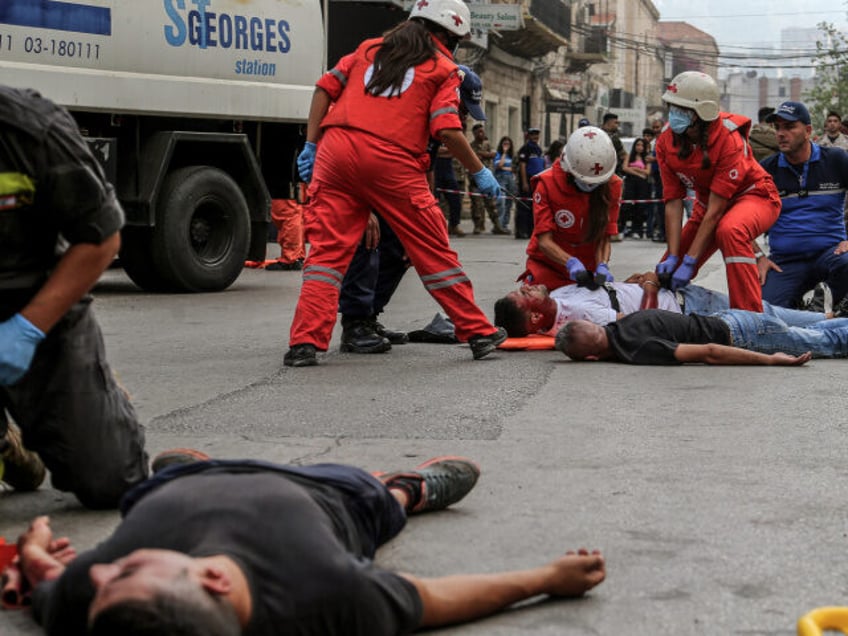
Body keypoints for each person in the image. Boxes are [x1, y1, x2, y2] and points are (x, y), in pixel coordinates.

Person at [15, 455, 606, 635]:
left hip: (176, 484)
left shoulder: (92, 607)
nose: (99, 573)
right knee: (379, 507)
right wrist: (545, 579)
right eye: (120, 575)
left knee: (158, 479)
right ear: (214, 581)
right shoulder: (327, 594)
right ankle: (410, 488)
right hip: (328, 491)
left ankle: (199, 462)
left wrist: (34, 546)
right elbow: (431, 600)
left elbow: (43, 575)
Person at [286, 0, 507, 367]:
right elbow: (447, 129)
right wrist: (479, 172)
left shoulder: (368, 49)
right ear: (447, 37)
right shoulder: (444, 69)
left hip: (334, 153)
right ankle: (478, 332)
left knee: (325, 259)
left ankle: (303, 345)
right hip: (392, 161)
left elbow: (324, 88)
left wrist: (311, 144)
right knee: (433, 252)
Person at [0, 86, 149, 509]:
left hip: (34, 308)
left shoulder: (33, 130)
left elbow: (101, 239)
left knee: (111, 481)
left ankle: (91, 388)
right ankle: (6, 445)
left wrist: (27, 329)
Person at [336, 65, 488, 355]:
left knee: (400, 252)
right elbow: (364, 158)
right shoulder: (406, 117)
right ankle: (354, 325)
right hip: (362, 189)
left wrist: (427, 211)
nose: (466, 116)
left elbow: (423, 171)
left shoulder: (431, 127)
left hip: (398, 196)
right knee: (368, 244)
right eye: (464, 108)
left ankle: (369, 318)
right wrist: (362, 208)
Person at [654, 71, 781, 312]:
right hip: (708, 205)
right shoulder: (665, 142)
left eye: (682, 109)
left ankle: (749, 316)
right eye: (673, 107)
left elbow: (716, 211)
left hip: (755, 196)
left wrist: (691, 261)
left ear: (703, 112)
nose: (674, 115)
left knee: (730, 230)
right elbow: (673, 202)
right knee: (665, 276)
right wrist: (674, 255)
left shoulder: (728, 140)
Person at [555, 270, 848, 365]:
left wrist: (771, 360)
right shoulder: (626, 322)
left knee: (827, 342)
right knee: (819, 328)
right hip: (726, 316)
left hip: (741, 334)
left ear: (592, 357)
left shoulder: (636, 347)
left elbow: (709, 352)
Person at [494, 273, 832, 338]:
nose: (526, 287)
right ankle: (828, 319)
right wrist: (652, 287)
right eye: (525, 296)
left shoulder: (562, 297)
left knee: (765, 313)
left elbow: (615, 294)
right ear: (536, 315)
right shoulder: (579, 319)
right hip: (689, 309)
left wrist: (634, 281)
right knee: (766, 316)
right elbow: (641, 319)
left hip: (683, 299)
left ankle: (826, 318)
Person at [756, 101, 848, 311]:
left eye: (789, 127)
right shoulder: (766, 170)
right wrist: (758, 256)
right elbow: (735, 217)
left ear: (807, 131)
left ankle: (824, 306)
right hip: (785, 262)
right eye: (777, 127)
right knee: (764, 312)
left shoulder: (836, 159)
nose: (780, 133)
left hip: (831, 254)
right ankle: (809, 309)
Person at [517, 126, 622, 292]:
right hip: (548, 267)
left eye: (596, 182)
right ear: (569, 169)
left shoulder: (612, 185)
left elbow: (604, 236)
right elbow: (544, 241)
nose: (590, 186)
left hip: (589, 272)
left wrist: (602, 265)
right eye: (586, 181)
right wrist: (571, 263)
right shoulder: (546, 184)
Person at [469, 122, 509, 234]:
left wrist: (482, 154)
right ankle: (478, 226)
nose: (481, 133)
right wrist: (483, 154)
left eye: (482, 131)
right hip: (475, 180)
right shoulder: (471, 145)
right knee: (477, 205)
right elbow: (474, 157)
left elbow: (494, 155)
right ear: (474, 134)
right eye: (479, 132)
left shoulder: (487, 144)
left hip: (488, 179)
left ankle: (497, 225)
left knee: (491, 204)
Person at [515, 127, 545, 239]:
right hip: (528, 180)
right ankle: (521, 231)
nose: (535, 137)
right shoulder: (526, 148)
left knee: (533, 207)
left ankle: (530, 230)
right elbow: (522, 166)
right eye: (533, 134)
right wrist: (524, 183)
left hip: (537, 182)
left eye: (537, 134)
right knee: (524, 206)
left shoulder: (538, 149)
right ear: (529, 136)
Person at [620, 137, 652, 239]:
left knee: (640, 207)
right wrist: (637, 171)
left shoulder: (646, 158)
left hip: (642, 185)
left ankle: (636, 230)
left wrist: (632, 169)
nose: (640, 147)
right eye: (638, 145)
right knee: (626, 206)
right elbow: (625, 168)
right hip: (630, 183)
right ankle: (622, 228)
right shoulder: (629, 156)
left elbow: (648, 172)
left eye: (642, 145)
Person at [494, 136, 517, 231]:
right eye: (504, 144)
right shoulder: (498, 155)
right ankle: (498, 225)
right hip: (501, 178)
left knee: (509, 203)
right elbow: (499, 166)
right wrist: (504, 152)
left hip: (510, 179)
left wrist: (505, 168)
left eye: (508, 144)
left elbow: (514, 169)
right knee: (501, 202)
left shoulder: (512, 156)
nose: (506, 146)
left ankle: (505, 225)